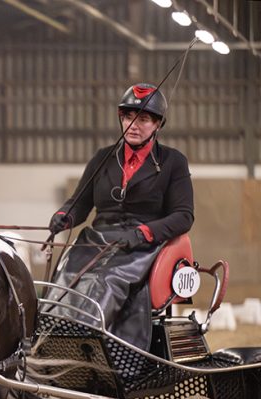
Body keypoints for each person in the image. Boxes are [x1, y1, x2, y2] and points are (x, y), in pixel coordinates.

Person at [46, 83, 194, 350]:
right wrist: (64, 216)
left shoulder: (173, 161)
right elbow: (79, 204)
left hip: (142, 243)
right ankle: (50, 339)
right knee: (65, 278)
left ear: (157, 124)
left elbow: (183, 216)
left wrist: (143, 233)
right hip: (96, 238)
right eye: (128, 117)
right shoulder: (103, 158)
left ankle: (88, 344)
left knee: (106, 281)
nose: (133, 125)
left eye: (143, 119)